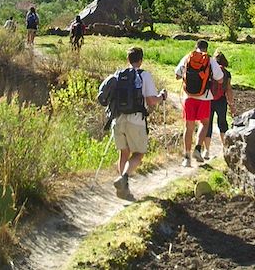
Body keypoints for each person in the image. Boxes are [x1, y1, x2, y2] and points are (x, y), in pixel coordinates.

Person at [98, 46, 166, 199]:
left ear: (128, 59)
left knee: (124, 153)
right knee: (138, 153)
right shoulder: (144, 75)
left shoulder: (118, 75)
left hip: (117, 119)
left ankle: (123, 190)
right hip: (135, 120)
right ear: (141, 60)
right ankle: (124, 178)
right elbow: (151, 101)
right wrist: (162, 96)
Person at [174, 39, 223, 167]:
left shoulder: (188, 57)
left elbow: (177, 75)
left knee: (188, 127)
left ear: (195, 46)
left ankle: (187, 158)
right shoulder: (210, 60)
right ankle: (198, 148)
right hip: (204, 97)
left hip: (189, 97)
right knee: (205, 123)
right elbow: (220, 78)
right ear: (206, 48)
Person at [202, 50, 234, 160]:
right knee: (222, 123)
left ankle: (206, 151)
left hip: (209, 100)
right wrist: (231, 105)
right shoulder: (227, 73)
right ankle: (225, 148)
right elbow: (228, 89)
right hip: (221, 100)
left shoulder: (210, 71)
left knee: (208, 124)